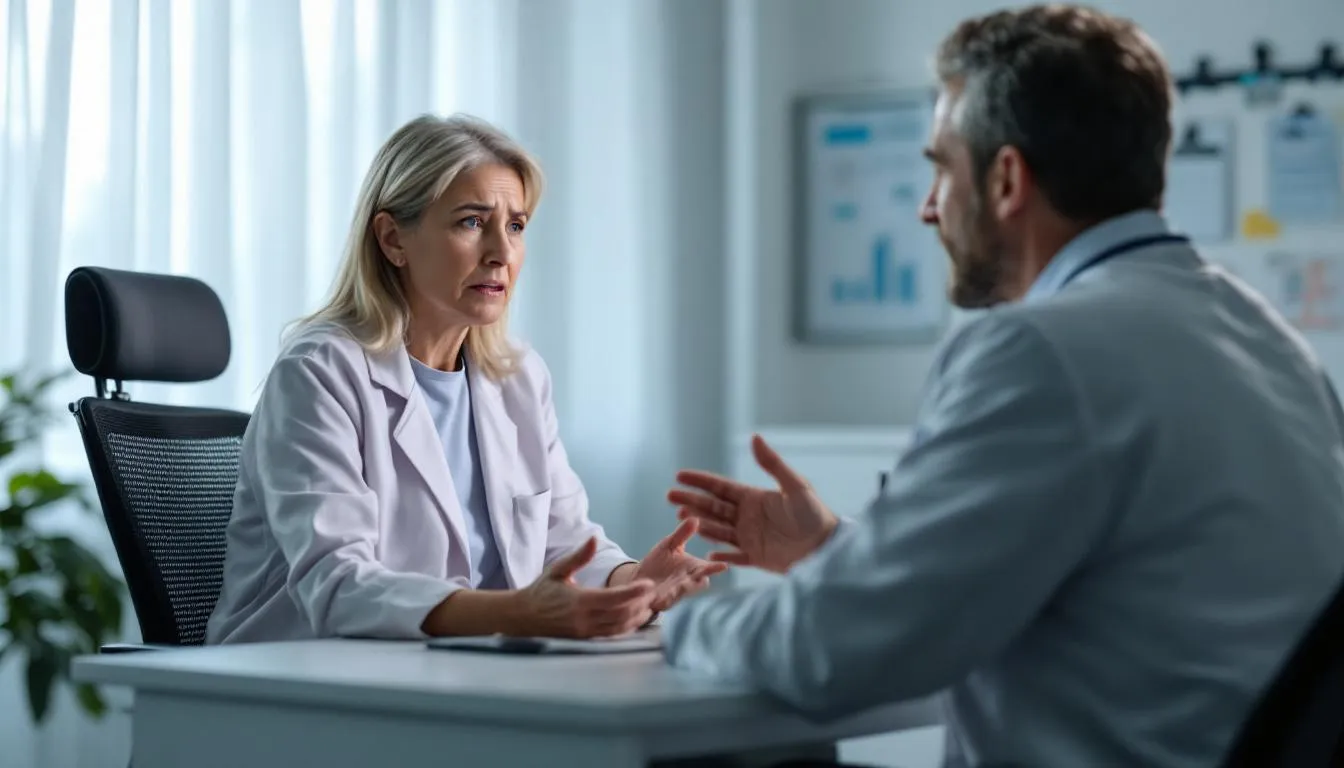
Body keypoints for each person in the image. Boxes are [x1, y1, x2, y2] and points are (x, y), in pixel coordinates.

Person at [661, 5, 1344, 768]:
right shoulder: (1269, 341)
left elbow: (833, 656)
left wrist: (680, 625)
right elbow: (1101, 587)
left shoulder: (1043, 351)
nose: (927, 207)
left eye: (940, 168)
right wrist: (833, 554)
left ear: (1008, 179)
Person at [206, 115, 725, 644]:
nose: (501, 252)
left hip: (461, 670)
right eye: (472, 223)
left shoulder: (519, 378)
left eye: (516, 226)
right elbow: (338, 586)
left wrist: (634, 581)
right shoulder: (319, 373)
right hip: (298, 681)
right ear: (392, 240)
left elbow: (563, 545)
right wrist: (517, 614)